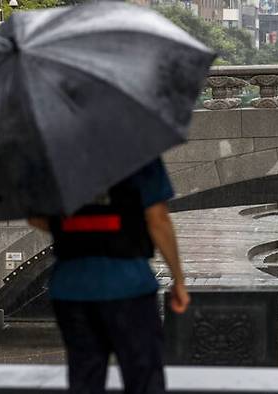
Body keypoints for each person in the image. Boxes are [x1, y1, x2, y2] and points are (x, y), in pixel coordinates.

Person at [28, 158, 189, 394]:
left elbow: (35, 218)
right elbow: (158, 219)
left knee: (85, 380)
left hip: (71, 287)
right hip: (129, 284)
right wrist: (179, 280)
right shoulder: (138, 152)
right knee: (144, 379)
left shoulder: (52, 156)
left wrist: (77, 225)